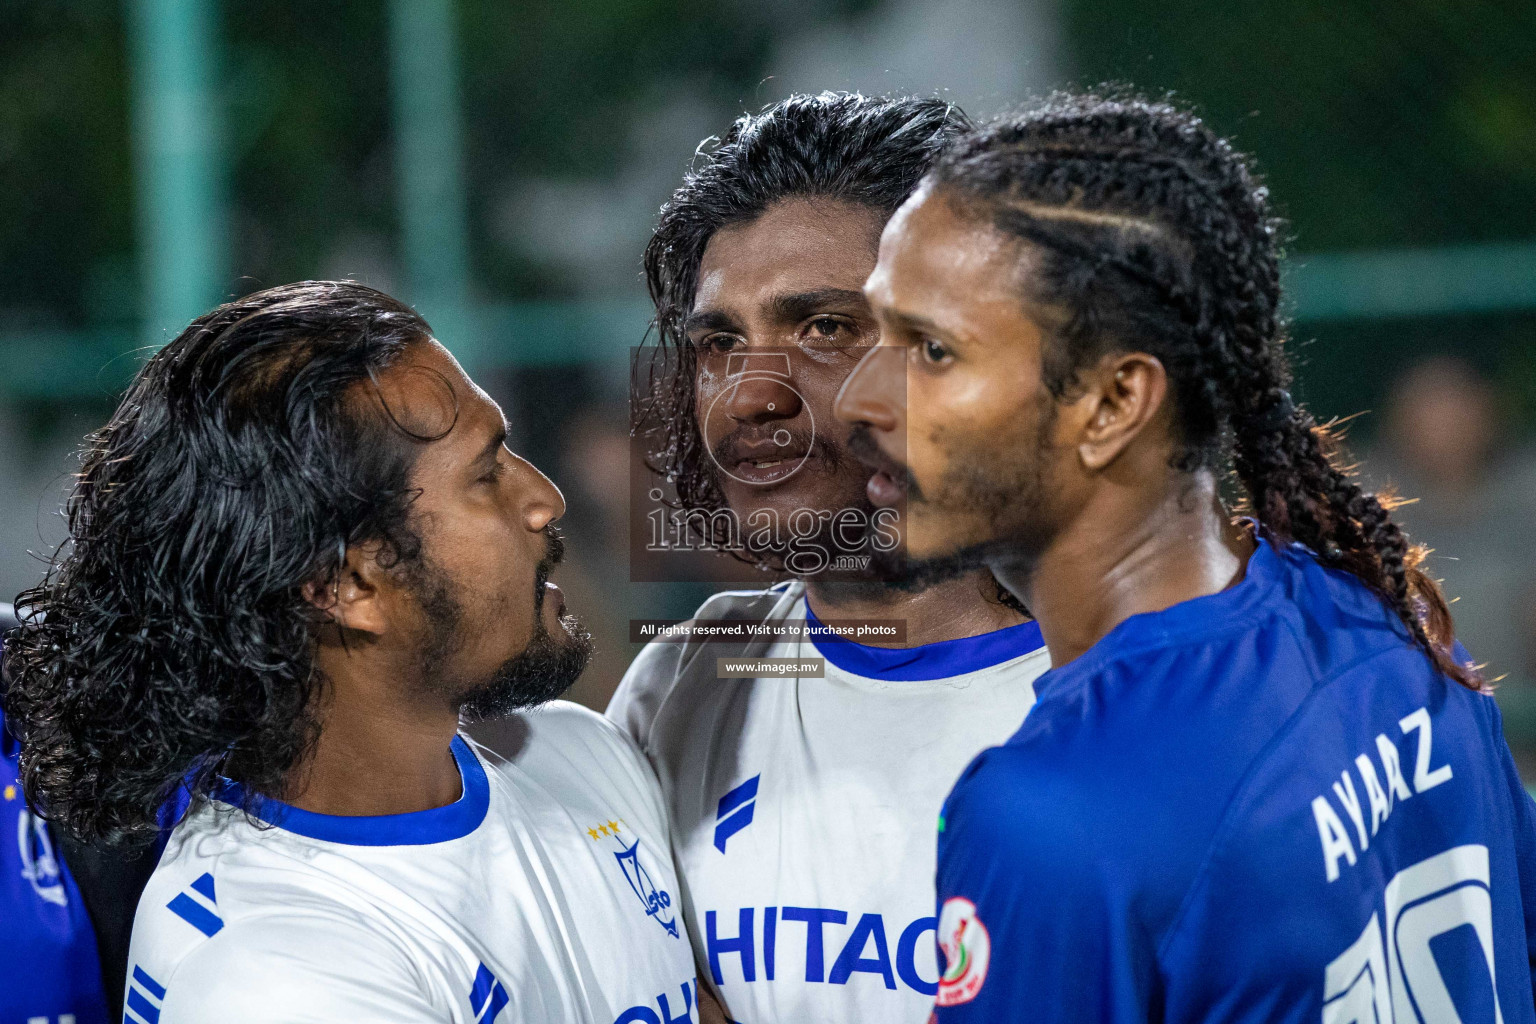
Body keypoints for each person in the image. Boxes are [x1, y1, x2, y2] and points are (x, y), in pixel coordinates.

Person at [835, 94, 1536, 1022]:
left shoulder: (1054, 814)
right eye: (874, 331)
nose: (857, 398)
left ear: (1115, 402)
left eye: (930, 349)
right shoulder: (1375, 624)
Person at [2, 281, 704, 1023]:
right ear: (347, 585)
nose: (543, 499)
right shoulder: (273, 974)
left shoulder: (580, 753)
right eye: (486, 472)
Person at [609, 92, 1048, 1024]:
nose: (748, 395)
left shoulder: (1130, 696)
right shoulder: (681, 688)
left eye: (825, 329)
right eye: (720, 342)